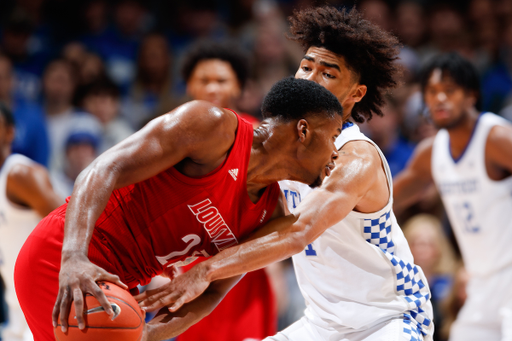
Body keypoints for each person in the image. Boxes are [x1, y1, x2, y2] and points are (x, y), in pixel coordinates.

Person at [138, 6, 434, 341]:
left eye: (328, 73)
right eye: (306, 67)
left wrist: (207, 269)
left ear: (356, 93)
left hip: (389, 320)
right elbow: (259, 234)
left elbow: (299, 231)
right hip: (322, 325)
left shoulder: (356, 157)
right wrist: (145, 334)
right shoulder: (286, 148)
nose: (310, 78)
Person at [14, 76, 344, 341]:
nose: (335, 154)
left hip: (120, 286)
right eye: (334, 137)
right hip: (67, 257)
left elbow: (213, 291)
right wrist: (73, 257)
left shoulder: (270, 216)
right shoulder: (211, 127)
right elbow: (101, 171)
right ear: (303, 131)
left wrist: (149, 333)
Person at [392, 52, 512, 340]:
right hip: (481, 284)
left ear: (471, 96)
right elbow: (383, 199)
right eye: (432, 92)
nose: (439, 99)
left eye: (449, 90)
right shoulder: (432, 152)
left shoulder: (494, 138)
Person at [173, 40, 276, 341]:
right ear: (189, 86)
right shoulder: (169, 135)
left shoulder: (262, 137)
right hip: (187, 265)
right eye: (204, 80)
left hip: (245, 266)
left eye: (221, 80)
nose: (212, 89)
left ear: (239, 87)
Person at [0, 103, 63, 341]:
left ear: (10, 133)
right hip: (16, 311)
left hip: (47, 309)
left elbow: (71, 223)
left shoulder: (19, 174)